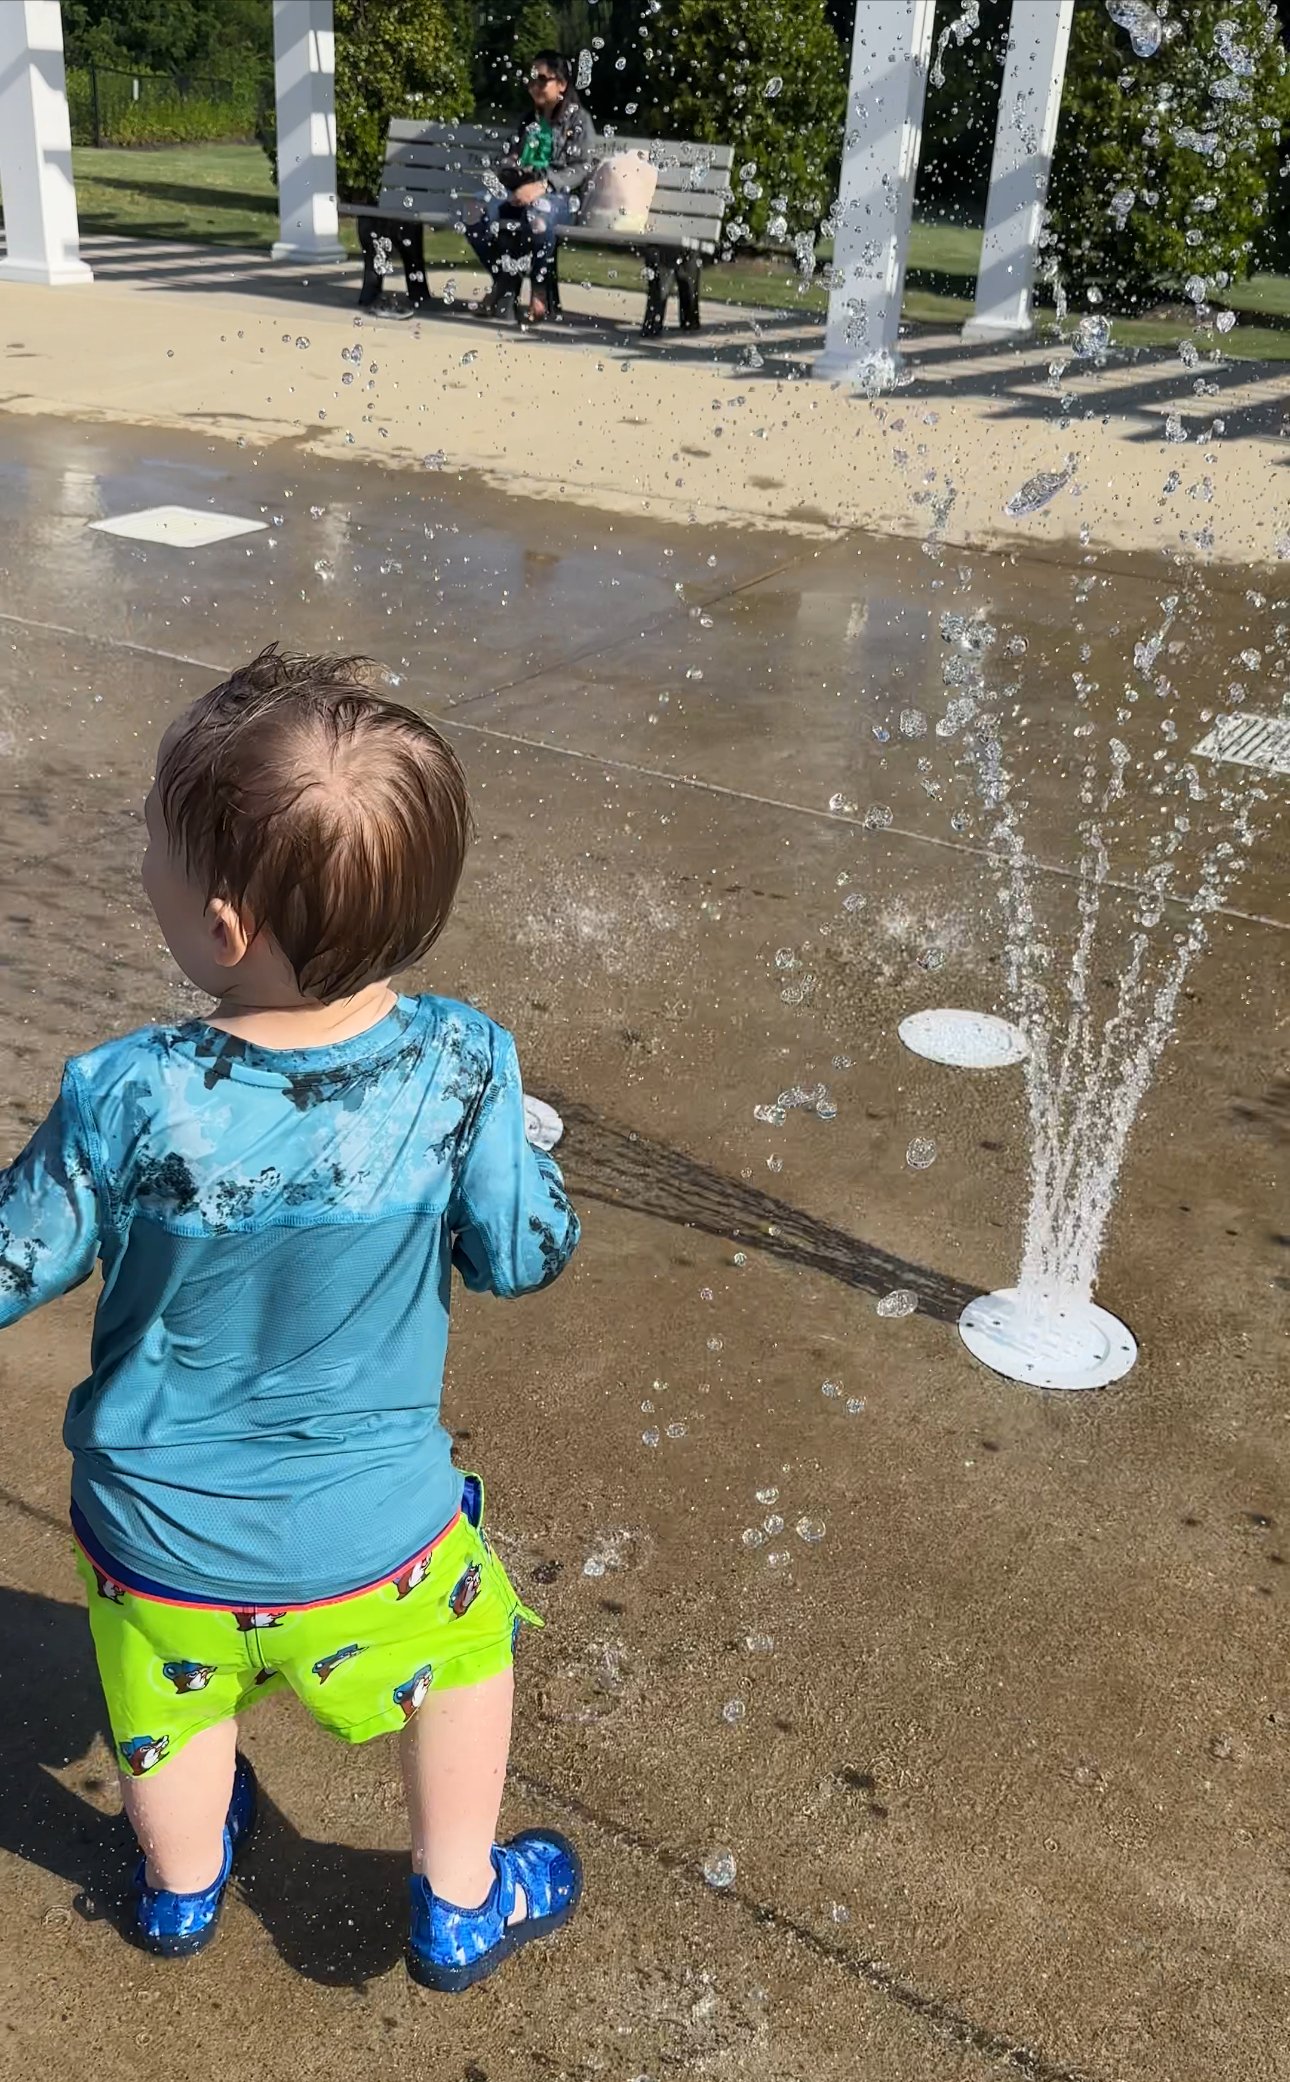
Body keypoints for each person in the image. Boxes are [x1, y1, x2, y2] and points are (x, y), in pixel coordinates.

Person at [0, 647, 582, 1989]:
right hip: (374, 1534)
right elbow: (520, 1254)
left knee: (169, 1699)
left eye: (148, 839)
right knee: (467, 1649)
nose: (135, 854)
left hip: (159, 1529)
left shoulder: (128, 1092)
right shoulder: (460, 1062)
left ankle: (180, 1886)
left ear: (218, 926)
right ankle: (457, 1894)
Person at [466, 51, 596, 325]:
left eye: (541, 79)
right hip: (519, 193)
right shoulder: (529, 120)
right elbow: (511, 156)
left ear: (561, 84)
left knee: (538, 215)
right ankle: (504, 277)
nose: (534, 86)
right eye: (530, 80)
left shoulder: (578, 120)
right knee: (473, 211)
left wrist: (544, 184)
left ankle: (538, 290)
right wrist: (510, 168)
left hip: (558, 200)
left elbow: (583, 167)